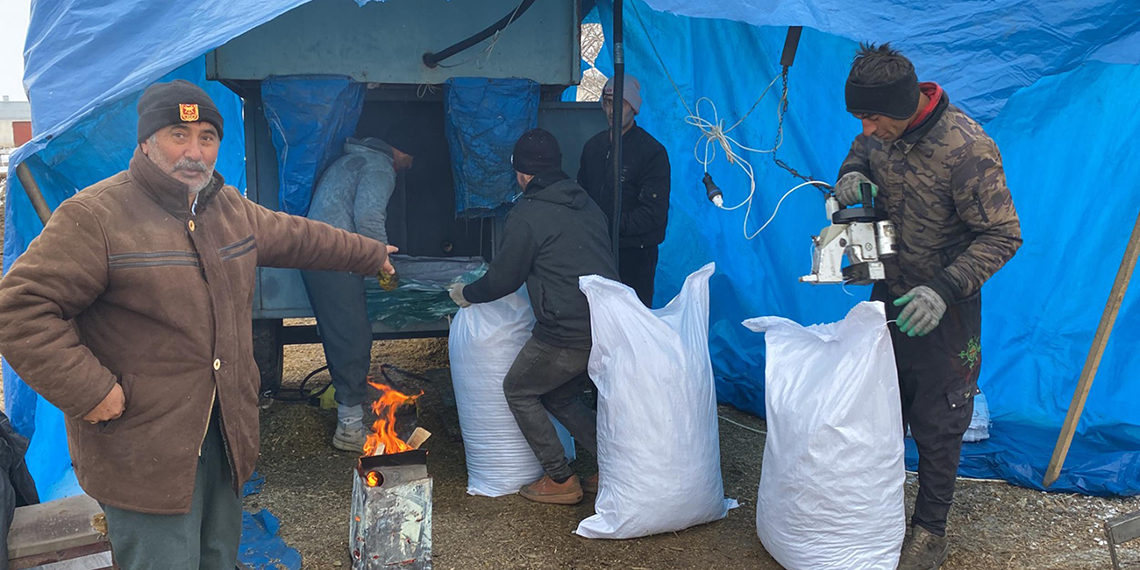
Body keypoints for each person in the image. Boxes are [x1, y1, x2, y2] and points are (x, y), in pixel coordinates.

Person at [0, 80, 397, 570]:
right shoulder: (95, 217)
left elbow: (299, 236)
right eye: (178, 134)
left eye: (207, 137)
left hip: (223, 430)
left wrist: (371, 252)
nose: (194, 151)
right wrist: (91, 390)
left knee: (217, 555)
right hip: (141, 442)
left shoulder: (225, 208)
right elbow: (19, 309)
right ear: (145, 141)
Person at [837, 44, 1022, 569]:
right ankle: (879, 510)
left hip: (946, 306)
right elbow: (860, 149)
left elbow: (1003, 236)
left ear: (901, 104)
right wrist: (852, 171)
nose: (868, 129)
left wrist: (943, 289)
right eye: (860, 119)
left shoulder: (967, 149)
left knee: (940, 422)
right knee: (879, 407)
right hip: (889, 294)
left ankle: (929, 532)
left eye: (873, 118)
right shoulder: (881, 131)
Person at [449, 129, 618, 505]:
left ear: (522, 174)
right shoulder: (587, 204)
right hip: (607, 324)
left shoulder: (528, 214)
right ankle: (615, 464)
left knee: (520, 389)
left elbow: (504, 279)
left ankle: (560, 480)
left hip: (567, 331)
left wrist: (467, 294)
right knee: (559, 395)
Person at [302, 133, 415, 452]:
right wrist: (381, 262)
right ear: (399, 150)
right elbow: (368, 218)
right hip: (334, 261)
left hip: (317, 257)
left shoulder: (349, 160)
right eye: (410, 158)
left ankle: (351, 415)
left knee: (341, 335)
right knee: (352, 338)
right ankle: (349, 430)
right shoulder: (379, 166)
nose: (409, 165)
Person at [577, 75, 670, 307]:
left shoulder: (651, 152)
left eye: (621, 104)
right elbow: (582, 194)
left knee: (632, 322)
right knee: (596, 319)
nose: (612, 110)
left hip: (635, 255)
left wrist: (609, 225)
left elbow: (653, 214)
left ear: (634, 109)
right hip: (596, 251)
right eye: (608, 103)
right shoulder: (594, 147)